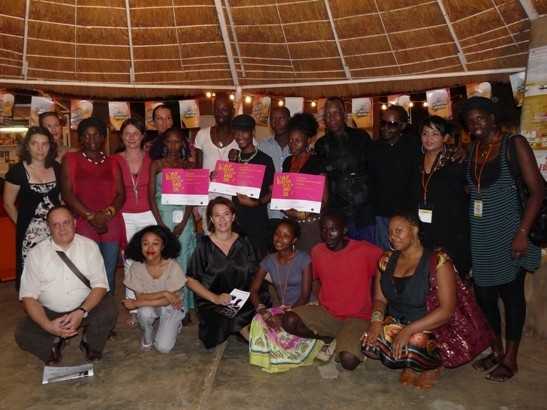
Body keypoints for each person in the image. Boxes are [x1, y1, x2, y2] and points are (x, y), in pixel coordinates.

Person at [462, 97, 543, 382]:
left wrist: (522, 233)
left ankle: (511, 357)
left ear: (493, 118)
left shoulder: (513, 144)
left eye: (480, 117)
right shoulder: (472, 149)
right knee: (484, 296)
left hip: (511, 234)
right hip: (481, 236)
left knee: (512, 298)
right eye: (470, 120)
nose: (475, 124)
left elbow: (538, 191)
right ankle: (495, 349)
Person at [362, 211, 457, 389]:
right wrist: (375, 323)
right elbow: (379, 299)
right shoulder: (386, 259)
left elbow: (447, 311)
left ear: (414, 230)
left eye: (399, 231)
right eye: (390, 232)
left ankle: (432, 366)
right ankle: (411, 362)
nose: (392, 237)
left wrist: (408, 331)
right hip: (399, 321)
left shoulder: (438, 261)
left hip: (432, 325)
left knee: (416, 340)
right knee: (368, 342)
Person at [15, 206, 117, 364]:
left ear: (75, 223)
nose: (61, 229)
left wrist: (81, 312)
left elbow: (100, 285)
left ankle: (90, 343)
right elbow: (28, 297)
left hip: (84, 307)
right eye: (55, 225)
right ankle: (53, 345)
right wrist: (47, 325)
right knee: (23, 333)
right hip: (50, 312)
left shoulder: (89, 246)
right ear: (49, 228)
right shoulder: (36, 254)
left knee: (109, 309)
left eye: (66, 223)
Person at [282, 211, 383, 370]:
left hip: (357, 317)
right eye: (323, 230)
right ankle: (328, 338)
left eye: (333, 230)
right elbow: (315, 278)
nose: (327, 235)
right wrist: (320, 299)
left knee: (348, 361)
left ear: (344, 231)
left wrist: (377, 307)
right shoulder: (317, 251)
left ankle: (346, 340)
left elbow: (386, 264)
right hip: (328, 314)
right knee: (289, 320)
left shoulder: (365, 250)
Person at [186, 197, 262, 349]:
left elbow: (258, 270)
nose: (222, 219)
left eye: (226, 214)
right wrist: (216, 298)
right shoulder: (204, 246)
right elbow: (190, 280)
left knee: (262, 313)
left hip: (242, 296)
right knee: (224, 324)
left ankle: (246, 331)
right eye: (217, 215)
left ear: (233, 217)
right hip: (213, 302)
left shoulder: (244, 242)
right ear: (211, 219)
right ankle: (248, 335)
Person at [61, 117, 125, 293]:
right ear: (80, 138)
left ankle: (107, 312)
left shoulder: (113, 162)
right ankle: (88, 310)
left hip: (111, 222)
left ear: (103, 137)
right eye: (86, 136)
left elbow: (121, 194)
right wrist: (91, 216)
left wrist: (107, 214)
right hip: (84, 222)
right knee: (87, 271)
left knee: (109, 270)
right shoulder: (71, 159)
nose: (92, 140)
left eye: (96, 135)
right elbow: (67, 193)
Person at [248, 219, 322, 373]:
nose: (279, 239)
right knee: (258, 321)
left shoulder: (304, 259)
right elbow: (253, 290)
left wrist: (283, 315)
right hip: (283, 307)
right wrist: (262, 310)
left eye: (285, 236)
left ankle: (316, 341)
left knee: (286, 322)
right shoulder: (268, 260)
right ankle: (282, 350)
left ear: (294, 240)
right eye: (277, 234)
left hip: (304, 307)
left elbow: (305, 295)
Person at [3, 126, 61, 290]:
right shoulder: (17, 171)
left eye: (45, 144)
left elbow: (61, 199)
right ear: (27, 146)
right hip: (30, 232)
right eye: (35, 143)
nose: (40, 149)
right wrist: (22, 224)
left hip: (56, 230)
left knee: (55, 268)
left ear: (50, 146)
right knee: (33, 272)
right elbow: (8, 203)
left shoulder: (56, 167)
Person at [149, 127, 197, 316]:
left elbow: (192, 197)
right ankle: (165, 304)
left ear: (183, 144)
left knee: (183, 261)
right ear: (164, 143)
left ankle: (183, 306)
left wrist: (184, 223)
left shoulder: (188, 166)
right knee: (165, 262)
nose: (173, 145)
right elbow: (151, 197)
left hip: (184, 218)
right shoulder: (157, 165)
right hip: (163, 216)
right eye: (169, 141)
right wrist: (160, 226)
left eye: (177, 141)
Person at [114, 116, 156, 325]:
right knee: (130, 261)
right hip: (126, 216)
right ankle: (132, 306)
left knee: (151, 259)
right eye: (127, 133)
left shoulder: (152, 159)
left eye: (135, 133)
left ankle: (151, 302)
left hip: (150, 214)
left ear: (142, 136)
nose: (131, 137)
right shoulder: (114, 160)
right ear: (121, 136)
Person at [314, 97, 375, 242]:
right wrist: (324, 208)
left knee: (366, 254)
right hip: (336, 211)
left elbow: (373, 170)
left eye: (336, 113)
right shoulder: (321, 145)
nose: (331, 117)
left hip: (363, 208)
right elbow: (322, 178)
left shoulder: (361, 137)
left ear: (344, 114)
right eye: (328, 114)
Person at [416, 116, 471, 277]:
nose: (429, 138)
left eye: (435, 134)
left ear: (445, 138)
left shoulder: (456, 161)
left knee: (452, 278)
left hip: (451, 231)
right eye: (425, 133)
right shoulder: (416, 162)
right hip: (423, 229)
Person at [122, 225, 187, 353]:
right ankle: (147, 337)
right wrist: (165, 293)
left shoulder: (172, 266)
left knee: (163, 348)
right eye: (145, 244)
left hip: (171, 307)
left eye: (155, 244)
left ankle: (176, 322)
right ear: (139, 246)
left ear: (163, 246)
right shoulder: (136, 267)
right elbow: (141, 296)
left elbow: (167, 301)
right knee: (145, 312)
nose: (150, 248)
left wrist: (137, 303)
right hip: (152, 305)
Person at [368, 105, 421, 250]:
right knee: (385, 258)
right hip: (382, 215)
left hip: (407, 215)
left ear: (402, 126)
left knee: (408, 256)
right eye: (383, 123)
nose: (385, 128)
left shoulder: (415, 145)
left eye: (391, 124)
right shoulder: (374, 148)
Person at [231, 114, 275, 259]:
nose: (239, 136)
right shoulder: (233, 159)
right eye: (236, 132)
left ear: (252, 133)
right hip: (236, 221)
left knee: (258, 262)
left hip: (257, 221)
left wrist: (257, 202)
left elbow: (273, 192)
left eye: (244, 131)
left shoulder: (265, 160)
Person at [282, 112, 324, 252]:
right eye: (290, 140)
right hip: (291, 223)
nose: (292, 144)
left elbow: (324, 199)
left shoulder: (317, 162)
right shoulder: (287, 162)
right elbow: (283, 194)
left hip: (310, 225)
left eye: (297, 140)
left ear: (308, 140)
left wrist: (302, 214)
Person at [258, 106, 291, 222]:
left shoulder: (299, 147)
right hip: (268, 211)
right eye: (273, 119)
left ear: (289, 120)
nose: (277, 122)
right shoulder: (262, 146)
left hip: (292, 213)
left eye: (281, 118)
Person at [194, 93, 238, 172]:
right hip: (207, 184)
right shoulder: (202, 135)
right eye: (217, 109)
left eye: (224, 110)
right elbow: (198, 170)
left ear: (232, 111)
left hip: (231, 184)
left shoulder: (242, 138)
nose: (220, 113)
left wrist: (238, 160)